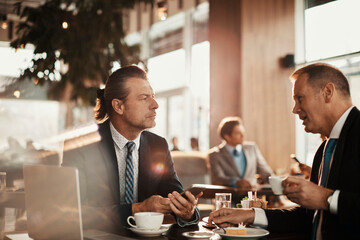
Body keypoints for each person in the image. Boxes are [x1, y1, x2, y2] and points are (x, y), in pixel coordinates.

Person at [208, 63, 359, 239]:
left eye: (300, 98)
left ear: (327, 92)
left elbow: (326, 202)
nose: (294, 109)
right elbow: (309, 217)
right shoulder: (324, 149)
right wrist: (251, 214)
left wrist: (327, 198)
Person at [62, 65, 200, 233]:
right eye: (144, 98)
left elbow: (176, 197)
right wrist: (137, 209)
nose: (155, 105)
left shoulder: (158, 146)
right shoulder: (81, 146)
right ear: (118, 106)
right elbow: (72, 213)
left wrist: (187, 212)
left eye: (153, 97)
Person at [208, 117, 273, 190]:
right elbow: (218, 178)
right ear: (227, 137)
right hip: (231, 197)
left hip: (253, 196)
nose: (243, 136)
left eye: (243, 132)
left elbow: (266, 173)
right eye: (238, 133)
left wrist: (278, 183)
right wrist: (236, 182)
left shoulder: (252, 148)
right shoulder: (215, 155)